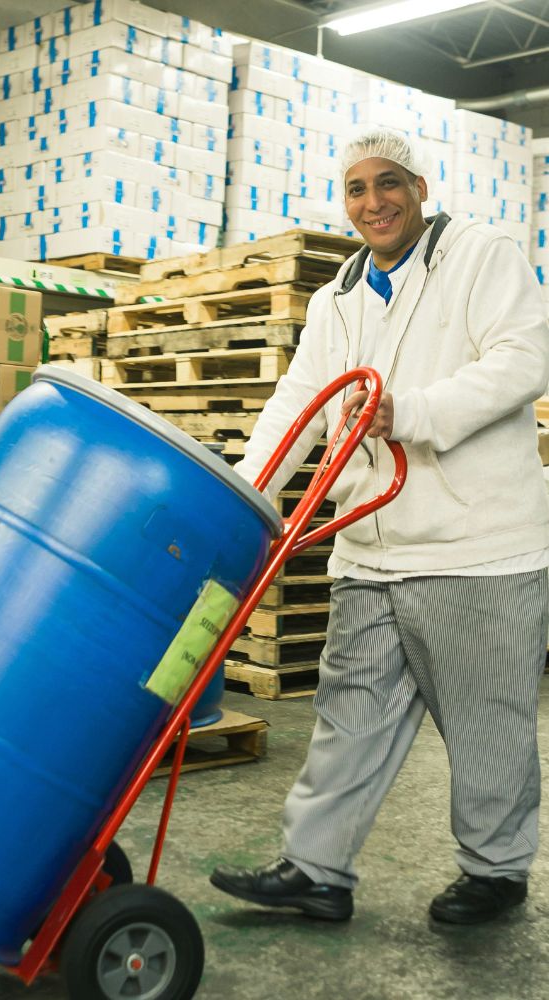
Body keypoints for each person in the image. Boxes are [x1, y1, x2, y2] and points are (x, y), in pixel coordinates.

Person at [210, 126, 549, 926]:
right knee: (348, 716)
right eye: (357, 188)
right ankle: (315, 869)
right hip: (370, 547)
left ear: (421, 188)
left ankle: (495, 871)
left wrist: (414, 413)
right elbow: (299, 399)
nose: (374, 202)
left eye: (389, 182)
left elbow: (524, 357)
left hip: (477, 548)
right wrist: (246, 496)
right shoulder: (339, 295)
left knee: (485, 722)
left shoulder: (480, 254)